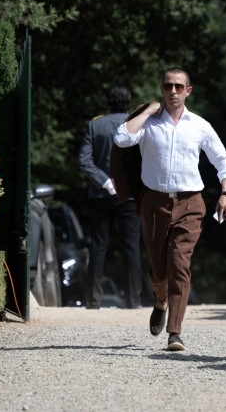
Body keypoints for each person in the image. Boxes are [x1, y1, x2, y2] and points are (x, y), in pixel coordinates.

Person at [113, 67, 226, 351]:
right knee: (158, 267)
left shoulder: (200, 125)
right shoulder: (149, 122)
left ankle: (175, 332)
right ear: (161, 89)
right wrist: (145, 111)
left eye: (179, 87)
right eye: (168, 86)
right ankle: (160, 300)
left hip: (191, 202)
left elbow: (222, 161)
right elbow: (121, 138)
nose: (173, 91)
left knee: (180, 262)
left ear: (188, 91)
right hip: (154, 202)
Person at [79, 85, 143, 310]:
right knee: (131, 247)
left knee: (98, 246)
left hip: (100, 193)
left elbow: (85, 161)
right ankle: (133, 300)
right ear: (129, 102)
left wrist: (105, 182)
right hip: (130, 196)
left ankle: (93, 300)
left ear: (108, 101)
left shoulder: (95, 125)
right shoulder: (138, 125)